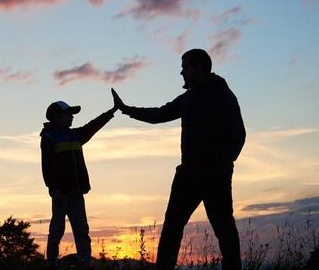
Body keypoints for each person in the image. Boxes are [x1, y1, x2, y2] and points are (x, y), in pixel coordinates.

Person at [111, 48, 245, 270]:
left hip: (215, 176)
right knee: (172, 227)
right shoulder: (188, 98)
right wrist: (126, 109)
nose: (181, 73)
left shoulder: (223, 95)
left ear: (198, 67)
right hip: (188, 174)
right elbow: (159, 114)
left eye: (185, 67)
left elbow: (238, 135)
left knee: (224, 229)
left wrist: (221, 166)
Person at [41, 99, 117, 270]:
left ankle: (85, 261)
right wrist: (53, 189)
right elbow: (46, 166)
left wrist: (110, 113)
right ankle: (51, 262)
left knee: (82, 229)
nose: (72, 117)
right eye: (68, 114)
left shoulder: (75, 134)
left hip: (77, 192)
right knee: (56, 230)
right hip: (61, 193)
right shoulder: (49, 138)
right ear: (57, 117)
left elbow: (92, 126)